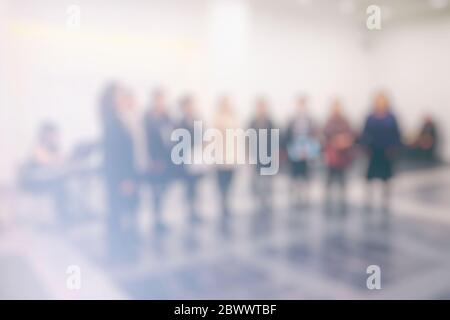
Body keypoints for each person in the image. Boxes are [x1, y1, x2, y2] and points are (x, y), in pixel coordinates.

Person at [100, 83, 140, 262]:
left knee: (122, 211)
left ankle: (122, 246)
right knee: (116, 213)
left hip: (124, 176)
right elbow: (116, 155)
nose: (124, 100)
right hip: (119, 177)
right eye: (120, 97)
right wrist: (124, 179)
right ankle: (117, 251)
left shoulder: (121, 119)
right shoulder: (112, 122)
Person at [19, 122, 70, 226]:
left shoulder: (53, 148)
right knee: (61, 186)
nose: (54, 137)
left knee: (63, 184)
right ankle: (63, 218)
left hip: (47, 179)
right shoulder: (38, 148)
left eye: (55, 134)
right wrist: (61, 161)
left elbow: (60, 162)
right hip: (34, 183)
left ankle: (66, 217)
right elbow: (50, 162)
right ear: (44, 135)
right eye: (52, 134)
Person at [360, 92, 402, 212]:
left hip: (386, 151)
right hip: (373, 150)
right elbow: (365, 132)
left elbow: (396, 133)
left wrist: (395, 147)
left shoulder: (391, 117)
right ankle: (368, 198)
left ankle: (386, 198)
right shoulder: (370, 116)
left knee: (386, 177)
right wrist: (364, 146)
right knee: (370, 176)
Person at [144, 88, 176, 229]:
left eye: (162, 100)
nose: (161, 103)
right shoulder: (148, 118)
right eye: (158, 100)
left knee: (164, 189)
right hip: (155, 161)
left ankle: (161, 216)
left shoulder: (167, 117)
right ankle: (156, 218)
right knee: (155, 191)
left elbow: (172, 136)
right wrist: (153, 159)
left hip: (167, 159)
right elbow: (146, 141)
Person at [285, 95, 320, 208]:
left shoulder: (310, 119)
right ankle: (295, 191)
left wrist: (313, 150)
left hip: (307, 148)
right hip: (295, 148)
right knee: (295, 171)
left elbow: (315, 134)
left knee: (305, 171)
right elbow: (287, 134)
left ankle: (305, 192)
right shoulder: (292, 119)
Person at [177, 95, 205, 223]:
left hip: (197, 159)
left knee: (197, 187)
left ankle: (196, 211)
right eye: (187, 106)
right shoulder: (180, 123)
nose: (190, 108)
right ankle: (189, 212)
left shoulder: (198, 121)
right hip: (186, 159)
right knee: (188, 188)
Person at [322, 99, 355, 209]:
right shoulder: (329, 121)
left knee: (342, 179)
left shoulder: (345, 121)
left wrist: (344, 141)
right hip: (332, 155)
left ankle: (343, 201)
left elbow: (351, 135)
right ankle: (327, 200)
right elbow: (325, 135)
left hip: (342, 156)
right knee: (329, 178)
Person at [248, 97, 276, 212]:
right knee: (257, 179)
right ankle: (259, 200)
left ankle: (266, 200)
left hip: (268, 155)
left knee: (268, 180)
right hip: (256, 155)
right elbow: (248, 138)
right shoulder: (253, 122)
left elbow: (275, 138)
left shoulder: (270, 122)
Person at [213, 96, 239, 216]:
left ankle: (226, 202)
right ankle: (223, 203)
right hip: (221, 156)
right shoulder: (217, 119)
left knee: (229, 181)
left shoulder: (234, 118)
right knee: (221, 182)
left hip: (232, 156)